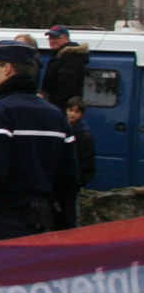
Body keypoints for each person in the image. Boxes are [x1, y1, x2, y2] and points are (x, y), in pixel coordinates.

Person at [0, 39, 78, 241]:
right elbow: (69, 177)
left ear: (7, 68)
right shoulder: (56, 115)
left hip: (0, 220)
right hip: (42, 220)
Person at [60, 97, 97, 230]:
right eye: (70, 110)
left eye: (76, 112)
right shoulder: (61, 129)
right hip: (60, 181)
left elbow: (87, 162)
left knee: (70, 217)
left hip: (72, 183)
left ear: (81, 115)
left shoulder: (84, 136)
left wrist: (78, 181)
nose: (72, 114)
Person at [42, 25, 89, 110]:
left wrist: (54, 107)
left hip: (61, 109)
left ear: (65, 38)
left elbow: (66, 88)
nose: (51, 41)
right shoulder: (59, 56)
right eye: (50, 38)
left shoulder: (70, 58)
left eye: (55, 38)